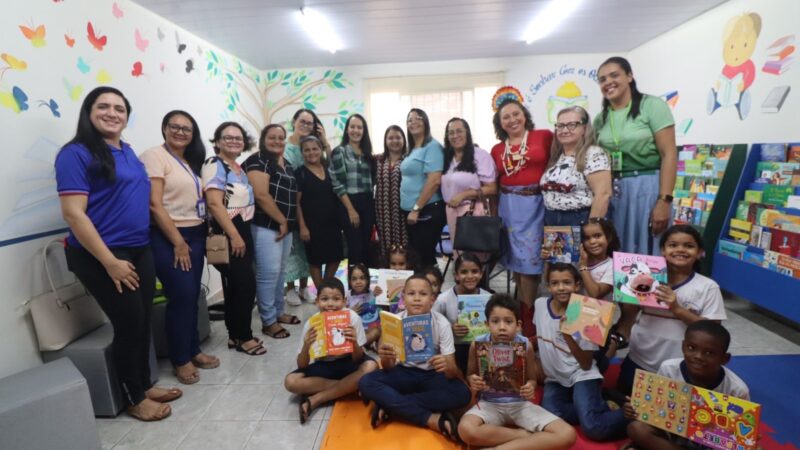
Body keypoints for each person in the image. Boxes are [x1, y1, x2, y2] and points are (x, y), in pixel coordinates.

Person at [56, 86, 181, 421]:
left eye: (119, 108)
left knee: (141, 323)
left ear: (126, 116)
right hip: (103, 254)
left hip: (139, 248)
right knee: (128, 324)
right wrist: (109, 262)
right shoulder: (76, 153)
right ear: (88, 111)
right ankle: (134, 397)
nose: (112, 113)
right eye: (103, 106)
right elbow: (74, 214)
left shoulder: (126, 151)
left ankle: (143, 382)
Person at [140, 110, 218, 385]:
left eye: (187, 129)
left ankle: (193, 349)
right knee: (181, 297)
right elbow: (154, 204)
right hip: (170, 236)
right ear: (164, 128)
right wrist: (178, 242)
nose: (181, 132)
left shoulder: (188, 160)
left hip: (195, 234)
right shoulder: (154, 156)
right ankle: (180, 359)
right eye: (175, 127)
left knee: (192, 295)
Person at [358, 274, 471, 443]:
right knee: (365, 382)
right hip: (403, 373)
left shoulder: (442, 323)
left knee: (463, 393)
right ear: (403, 297)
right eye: (411, 294)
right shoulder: (394, 321)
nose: (417, 299)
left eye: (423, 294)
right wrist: (386, 358)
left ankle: (391, 405)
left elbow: (452, 372)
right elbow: (388, 367)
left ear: (432, 299)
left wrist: (446, 365)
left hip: (432, 375)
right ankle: (430, 419)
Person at [617, 225, 727, 396]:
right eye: (673, 245)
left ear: (699, 253)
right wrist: (627, 294)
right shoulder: (647, 277)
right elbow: (629, 316)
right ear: (663, 250)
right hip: (639, 358)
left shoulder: (707, 287)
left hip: (678, 367)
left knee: (667, 417)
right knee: (626, 410)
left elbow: (713, 330)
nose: (680, 250)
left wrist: (677, 308)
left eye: (689, 246)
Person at [459, 294, 576, 450]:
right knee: (466, 430)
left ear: (518, 324)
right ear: (487, 324)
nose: (502, 327)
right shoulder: (477, 344)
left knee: (567, 434)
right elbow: (469, 375)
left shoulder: (525, 345)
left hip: (520, 405)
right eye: (495, 321)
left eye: (508, 321)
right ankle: (525, 437)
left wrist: (530, 386)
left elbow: (532, 379)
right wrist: (473, 380)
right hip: (489, 404)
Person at [593, 56, 677, 255]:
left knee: (649, 250)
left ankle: (650, 287)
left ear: (629, 76)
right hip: (614, 191)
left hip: (647, 188)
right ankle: (620, 288)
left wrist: (664, 201)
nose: (608, 82)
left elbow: (669, 154)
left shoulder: (652, 106)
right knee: (619, 248)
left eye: (614, 75)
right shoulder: (601, 118)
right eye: (602, 79)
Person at [534, 263, 628, 441]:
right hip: (555, 378)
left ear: (577, 285)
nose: (561, 288)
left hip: (582, 374)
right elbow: (539, 335)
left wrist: (567, 334)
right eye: (555, 283)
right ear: (548, 286)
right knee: (550, 415)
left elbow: (585, 364)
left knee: (594, 428)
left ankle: (632, 414)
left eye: (567, 282)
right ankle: (599, 404)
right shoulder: (539, 304)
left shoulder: (588, 313)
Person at [623, 321, 749, 450]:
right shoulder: (669, 369)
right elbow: (655, 409)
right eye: (691, 348)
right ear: (683, 346)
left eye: (709, 353)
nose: (698, 356)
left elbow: (737, 435)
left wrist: (743, 438)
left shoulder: (736, 389)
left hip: (711, 443)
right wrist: (636, 409)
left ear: (724, 359)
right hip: (673, 434)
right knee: (636, 428)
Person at [490, 91, 552, 337]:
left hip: (536, 205)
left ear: (525, 116)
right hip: (508, 206)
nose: (512, 120)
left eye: (516, 114)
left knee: (530, 263)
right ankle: (526, 314)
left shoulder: (544, 137)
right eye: (506, 117)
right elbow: (495, 182)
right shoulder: (496, 149)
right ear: (500, 123)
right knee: (517, 263)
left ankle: (529, 318)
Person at [202, 121, 264, 356]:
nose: (234, 141)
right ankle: (244, 338)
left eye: (238, 138)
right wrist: (235, 235)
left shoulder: (236, 167)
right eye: (228, 137)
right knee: (245, 285)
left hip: (243, 228)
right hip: (229, 230)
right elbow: (215, 204)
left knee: (237, 287)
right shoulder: (214, 164)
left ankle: (235, 334)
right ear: (217, 141)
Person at [284, 278, 377, 424]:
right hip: (325, 366)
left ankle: (317, 398)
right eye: (324, 299)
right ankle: (351, 386)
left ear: (344, 301)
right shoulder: (312, 323)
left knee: (371, 366)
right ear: (316, 301)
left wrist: (354, 343)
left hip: (349, 362)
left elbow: (358, 359)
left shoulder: (352, 318)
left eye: (336, 299)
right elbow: (302, 366)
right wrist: (306, 347)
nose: (330, 304)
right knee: (291, 382)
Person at [244, 124, 301, 340]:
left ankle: (278, 312)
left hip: (283, 226)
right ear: (263, 139)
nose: (277, 141)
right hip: (266, 225)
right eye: (272, 137)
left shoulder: (285, 164)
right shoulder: (257, 160)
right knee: (268, 273)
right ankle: (268, 321)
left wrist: (286, 223)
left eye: (281, 138)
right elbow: (261, 195)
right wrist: (281, 220)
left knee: (280, 271)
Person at [284, 109, 329, 305]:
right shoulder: (285, 149)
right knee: (292, 248)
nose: (306, 125)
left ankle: (304, 287)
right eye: (302, 121)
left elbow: (328, 165)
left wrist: (325, 139)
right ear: (294, 121)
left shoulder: (311, 146)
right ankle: (290, 288)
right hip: (289, 202)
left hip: (310, 204)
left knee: (307, 249)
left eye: (310, 123)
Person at [540, 106, 611, 226]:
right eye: (560, 126)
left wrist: (592, 228)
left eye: (572, 125)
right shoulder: (556, 157)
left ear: (584, 128)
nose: (565, 130)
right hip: (551, 220)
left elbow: (603, 195)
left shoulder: (593, 153)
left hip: (579, 219)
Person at [440, 118, 497, 256]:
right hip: (452, 212)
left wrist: (464, 194)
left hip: (472, 211)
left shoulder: (480, 155)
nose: (455, 136)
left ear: (467, 133)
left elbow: (492, 188)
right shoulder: (446, 157)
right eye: (451, 133)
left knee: (475, 256)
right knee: (459, 257)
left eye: (459, 131)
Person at [577, 218, 625, 373]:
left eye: (597, 236)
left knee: (594, 365)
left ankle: (612, 346)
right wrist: (550, 259)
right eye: (587, 238)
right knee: (576, 359)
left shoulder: (612, 265)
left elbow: (595, 293)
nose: (592, 241)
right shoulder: (578, 259)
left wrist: (583, 268)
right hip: (576, 315)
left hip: (598, 320)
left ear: (608, 238)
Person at [296, 135, 343, 289]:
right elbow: (296, 203)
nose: (311, 153)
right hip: (312, 225)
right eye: (307, 150)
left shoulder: (329, 169)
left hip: (332, 223)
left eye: (315, 149)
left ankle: (324, 289)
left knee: (335, 257)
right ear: (302, 153)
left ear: (321, 149)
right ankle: (321, 293)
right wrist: (302, 226)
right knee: (315, 260)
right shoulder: (300, 173)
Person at [400, 109, 446, 267]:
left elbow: (434, 180)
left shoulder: (432, 146)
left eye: (418, 118)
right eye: (410, 119)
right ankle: (422, 291)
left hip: (426, 211)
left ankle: (430, 290)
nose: (414, 122)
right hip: (413, 212)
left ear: (426, 122)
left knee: (424, 258)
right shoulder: (412, 148)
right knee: (418, 257)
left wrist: (416, 208)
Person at [329, 114, 376, 266]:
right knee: (355, 248)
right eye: (353, 127)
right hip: (349, 202)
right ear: (347, 129)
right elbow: (337, 183)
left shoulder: (367, 153)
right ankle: (355, 287)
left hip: (368, 202)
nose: (356, 130)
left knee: (365, 246)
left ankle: (365, 284)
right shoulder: (340, 151)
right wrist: (350, 209)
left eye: (359, 127)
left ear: (364, 131)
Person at [433, 252, 491, 373]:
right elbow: (432, 326)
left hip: (481, 349)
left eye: (474, 271)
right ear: (456, 275)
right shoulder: (442, 300)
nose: (470, 276)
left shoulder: (489, 298)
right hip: (454, 349)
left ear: (481, 274)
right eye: (464, 272)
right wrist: (450, 329)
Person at [374, 125, 409, 262]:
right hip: (382, 211)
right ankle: (386, 275)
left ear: (404, 140)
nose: (394, 141)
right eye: (391, 138)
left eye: (398, 137)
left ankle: (405, 274)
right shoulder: (378, 160)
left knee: (404, 244)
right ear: (385, 141)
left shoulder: (408, 160)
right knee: (385, 244)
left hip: (402, 212)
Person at [347, 263, 381, 348]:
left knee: (377, 331)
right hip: (356, 330)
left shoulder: (372, 294)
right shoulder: (347, 296)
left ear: (367, 280)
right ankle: (363, 345)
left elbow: (379, 309)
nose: (358, 282)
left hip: (370, 329)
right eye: (354, 279)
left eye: (362, 278)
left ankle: (365, 344)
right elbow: (341, 315)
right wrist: (351, 312)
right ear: (350, 281)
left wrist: (379, 295)